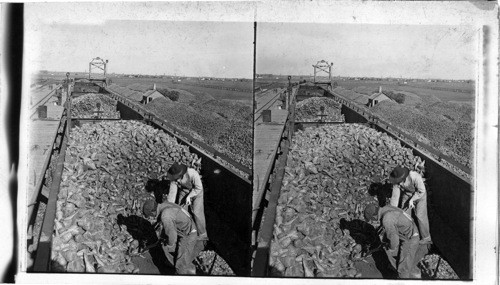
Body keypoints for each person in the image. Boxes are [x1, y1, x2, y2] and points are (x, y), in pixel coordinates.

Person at [144, 200, 206, 275]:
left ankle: (181, 275)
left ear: (153, 212)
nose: (151, 218)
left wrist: (167, 245)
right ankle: (175, 260)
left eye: (150, 216)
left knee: (180, 265)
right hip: (188, 226)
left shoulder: (165, 216)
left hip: (189, 235)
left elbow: (172, 237)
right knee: (169, 244)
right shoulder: (164, 204)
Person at [364, 203, 423, 279]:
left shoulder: (387, 219)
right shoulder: (386, 208)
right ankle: (404, 267)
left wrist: (389, 248)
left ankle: (407, 277)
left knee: (403, 269)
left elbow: (394, 241)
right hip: (409, 229)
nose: (373, 222)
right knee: (403, 257)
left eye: (372, 220)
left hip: (410, 239)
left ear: (374, 217)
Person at [388, 165, 431, 245]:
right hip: (407, 195)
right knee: (405, 215)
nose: (399, 184)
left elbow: (421, 191)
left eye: (400, 181)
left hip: (420, 195)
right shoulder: (396, 183)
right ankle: (409, 235)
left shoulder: (415, 177)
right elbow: (395, 197)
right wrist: (392, 211)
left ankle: (426, 238)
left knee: (420, 216)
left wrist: (412, 200)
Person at [166, 162, 207, 240]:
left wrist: (189, 196)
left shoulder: (193, 174)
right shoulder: (174, 180)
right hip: (184, 191)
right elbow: (172, 195)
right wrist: (168, 207)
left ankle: (203, 234)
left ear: (181, 175)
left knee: (197, 212)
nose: (176, 181)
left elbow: (198, 188)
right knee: (182, 211)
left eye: (177, 178)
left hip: (197, 192)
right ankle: (186, 232)